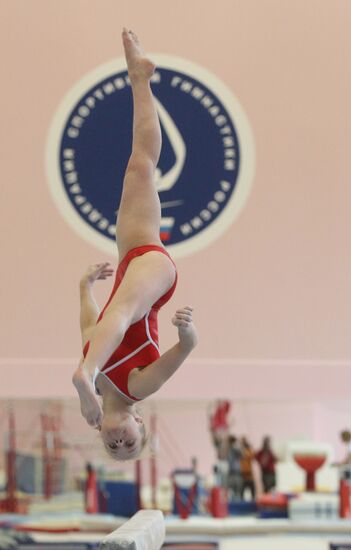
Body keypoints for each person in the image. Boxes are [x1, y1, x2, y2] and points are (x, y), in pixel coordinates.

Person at [72, 29, 198, 461]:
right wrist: (185, 330)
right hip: (155, 282)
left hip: (130, 265)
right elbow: (185, 350)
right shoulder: (138, 386)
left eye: (114, 446)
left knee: (139, 167)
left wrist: (84, 289)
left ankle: (139, 79)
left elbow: (93, 327)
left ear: (101, 435)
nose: (120, 440)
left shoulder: (105, 372)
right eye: (129, 441)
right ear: (139, 421)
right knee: (124, 315)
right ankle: (79, 374)